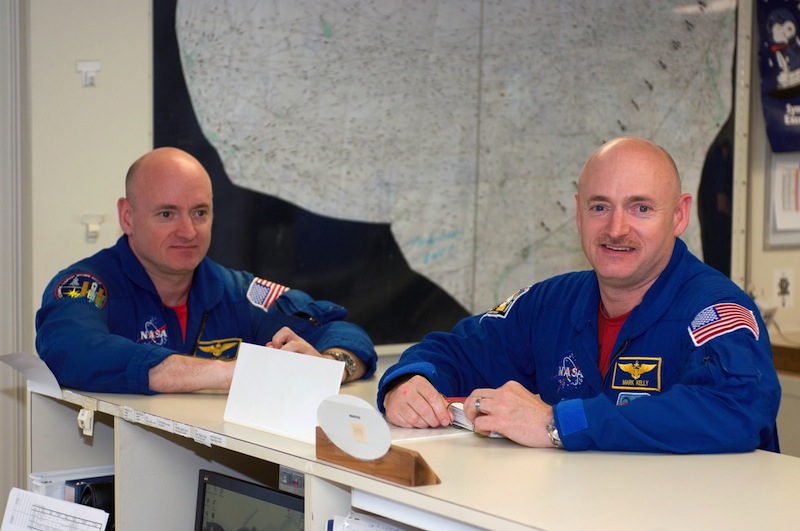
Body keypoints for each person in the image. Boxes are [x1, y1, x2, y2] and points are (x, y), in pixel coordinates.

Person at [378, 136, 781, 453]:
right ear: (578, 213)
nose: (617, 228)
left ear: (678, 216)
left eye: (640, 208)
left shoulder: (714, 309)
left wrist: (558, 423)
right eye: (600, 207)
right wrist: (409, 384)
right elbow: (454, 353)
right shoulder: (551, 304)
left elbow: (736, 409)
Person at [36, 147, 377, 394]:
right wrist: (224, 373)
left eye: (199, 213)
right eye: (167, 214)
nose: (188, 231)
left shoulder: (237, 292)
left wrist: (331, 366)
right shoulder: (88, 285)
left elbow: (338, 329)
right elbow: (70, 348)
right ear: (127, 216)